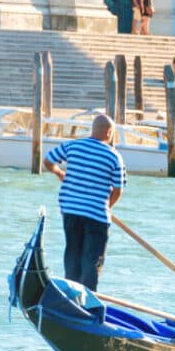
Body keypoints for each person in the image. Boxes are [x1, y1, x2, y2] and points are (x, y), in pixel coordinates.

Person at [42, 113, 127, 291]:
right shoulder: (114, 156)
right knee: (92, 260)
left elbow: (48, 160)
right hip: (96, 214)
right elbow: (118, 189)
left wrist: (59, 173)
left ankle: (70, 294)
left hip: (71, 210)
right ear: (109, 133)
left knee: (72, 253)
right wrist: (108, 206)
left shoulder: (73, 146)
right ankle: (87, 299)